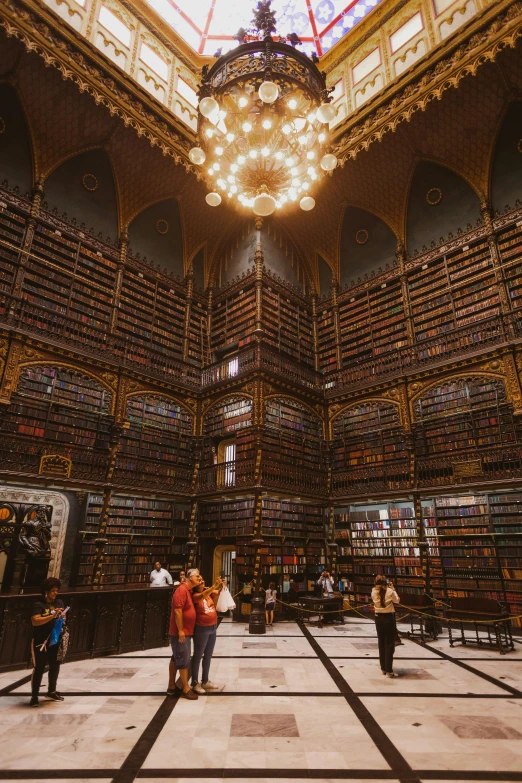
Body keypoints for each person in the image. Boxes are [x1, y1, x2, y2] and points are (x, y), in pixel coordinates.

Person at [30, 577, 66, 707]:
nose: (55, 593)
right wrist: (51, 616)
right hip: (41, 640)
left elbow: (61, 618)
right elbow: (35, 620)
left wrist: (62, 616)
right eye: (53, 591)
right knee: (39, 667)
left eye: (56, 590)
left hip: (55, 639)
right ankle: (34, 695)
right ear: (46, 591)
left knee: (55, 666)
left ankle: (51, 691)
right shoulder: (39, 604)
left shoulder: (59, 602)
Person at [167, 568, 201, 700]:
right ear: (190, 578)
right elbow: (177, 611)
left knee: (176, 657)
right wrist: (181, 630)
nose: (199, 578)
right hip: (181, 632)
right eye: (197, 576)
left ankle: (171, 686)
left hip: (185, 631)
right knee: (183, 659)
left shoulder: (188, 590)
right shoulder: (181, 590)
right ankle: (185, 688)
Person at [191, 576, 223, 694]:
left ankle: (205, 680)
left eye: (203, 580)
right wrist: (214, 586)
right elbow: (202, 595)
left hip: (212, 628)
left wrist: (222, 586)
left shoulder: (208, 593)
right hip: (201, 628)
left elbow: (218, 593)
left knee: (208, 655)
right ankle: (194, 682)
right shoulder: (195, 596)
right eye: (200, 581)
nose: (203, 581)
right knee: (198, 655)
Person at [372, 575, 400, 678]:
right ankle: (389, 670)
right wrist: (393, 589)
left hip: (378, 618)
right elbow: (397, 600)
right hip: (388, 618)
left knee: (381, 642)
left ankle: (383, 668)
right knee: (389, 644)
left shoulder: (373, 591)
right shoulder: (390, 591)